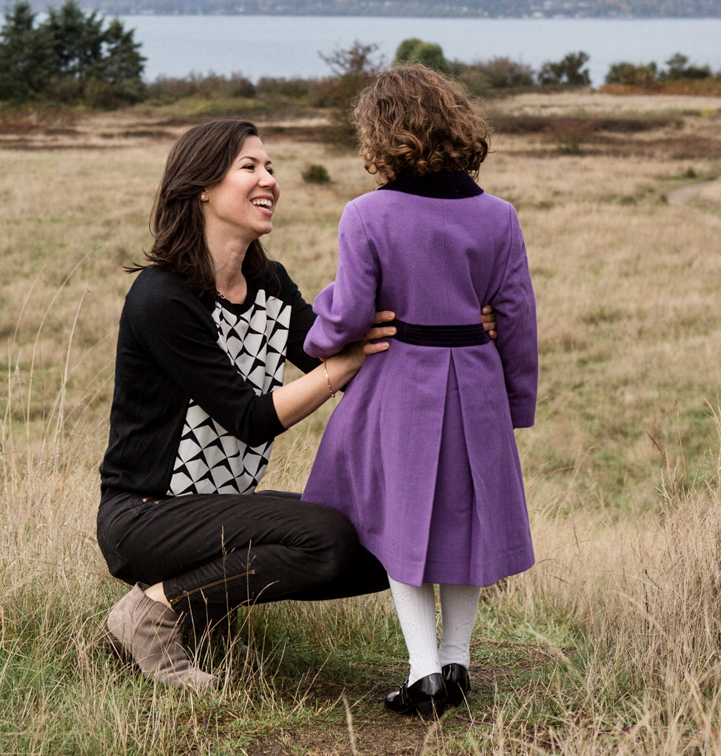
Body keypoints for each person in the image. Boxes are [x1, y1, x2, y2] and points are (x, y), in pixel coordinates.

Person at [97, 118, 497, 689]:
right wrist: (343, 364)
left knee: (380, 542)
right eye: (250, 167)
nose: (270, 180)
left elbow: (355, 357)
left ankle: (192, 605)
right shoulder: (162, 297)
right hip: (145, 513)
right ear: (202, 187)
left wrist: (456, 321)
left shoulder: (269, 284)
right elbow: (252, 418)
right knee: (324, 537)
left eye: (271, 167)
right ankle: (152, 612)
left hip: (218, 509)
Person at [301, 65, 540, 718]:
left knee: (397, 522)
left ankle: (424, 670)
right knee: (465, 523)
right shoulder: (499, 217)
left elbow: (348, 315)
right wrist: (515, 403)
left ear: (381, 134)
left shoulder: (366, 214)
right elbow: (516, 315)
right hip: (478, 383)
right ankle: (458, 662)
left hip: (399, 384)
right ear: (457, 124)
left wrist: (319, 331)